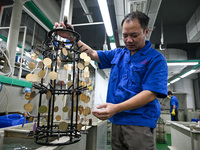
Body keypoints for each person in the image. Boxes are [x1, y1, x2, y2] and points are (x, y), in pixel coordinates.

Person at [54, 11, 168, 150]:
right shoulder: (119, 54)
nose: (129, 40)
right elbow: (93, 54)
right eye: (125, 35)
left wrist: (116, 108)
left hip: (140, 123)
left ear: (146, 31)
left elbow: (150, 94)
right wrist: (72, 38)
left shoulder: (155, 59)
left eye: (134, 35)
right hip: (116, 120)